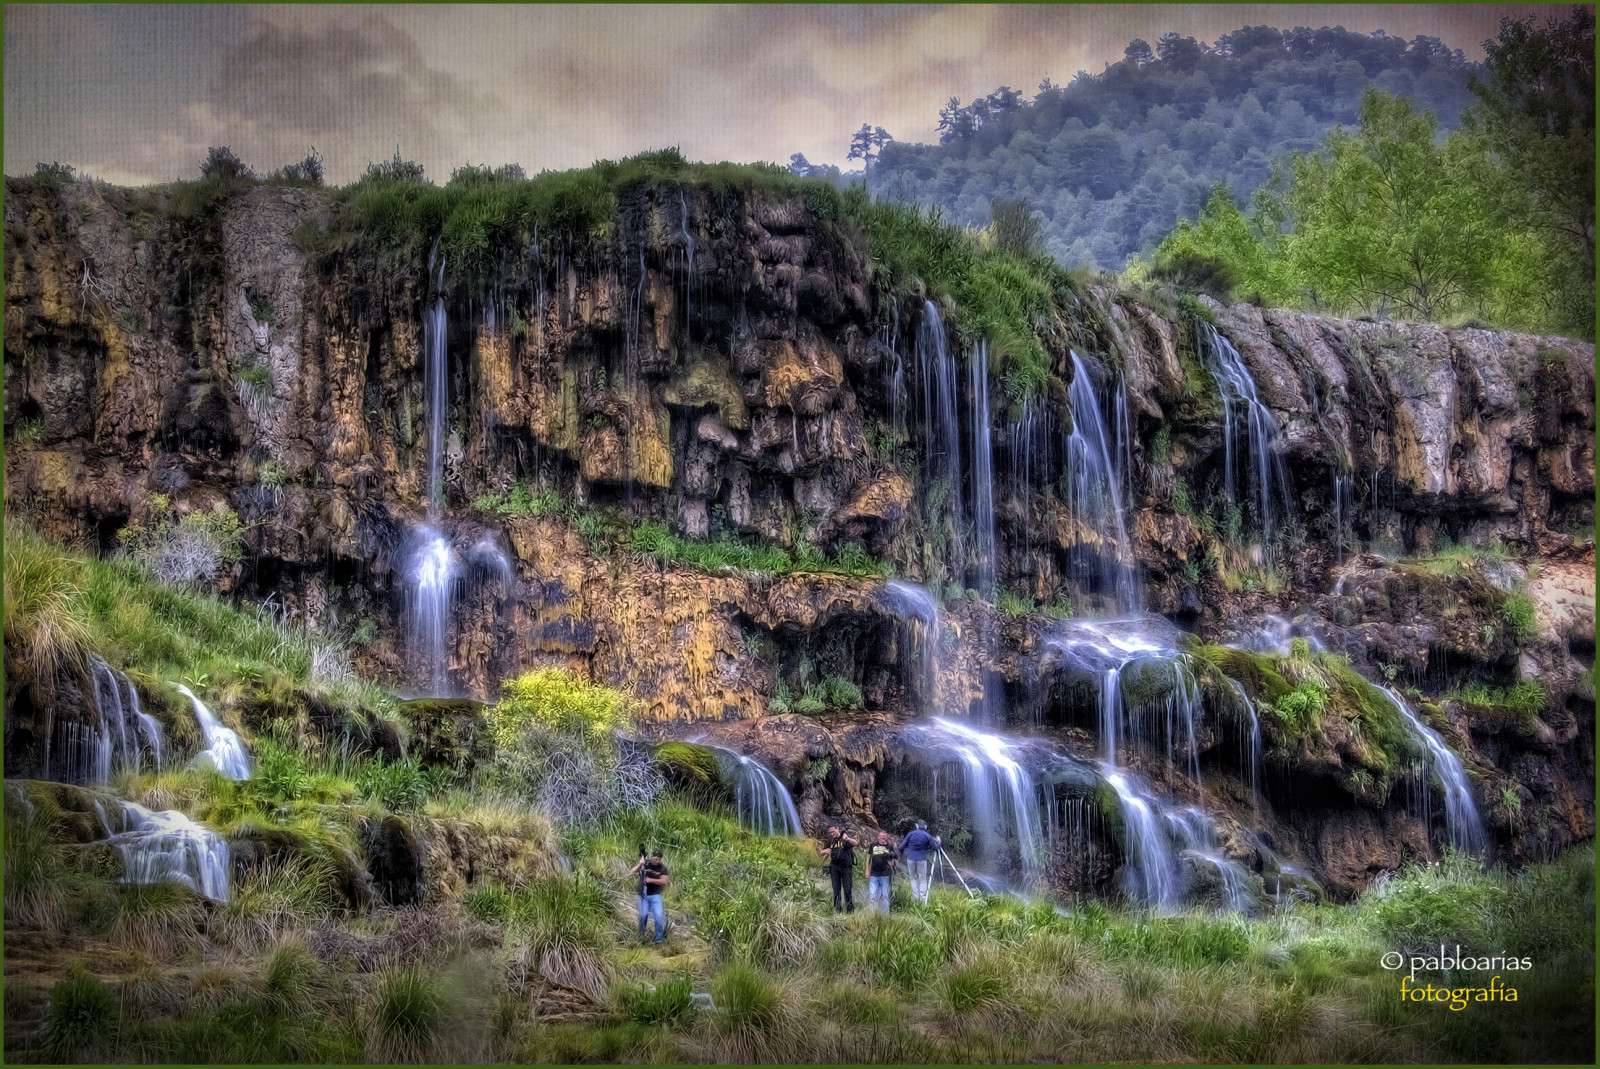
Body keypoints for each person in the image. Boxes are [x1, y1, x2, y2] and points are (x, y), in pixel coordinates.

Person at [627, 846, 670, 943]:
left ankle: (658, 939)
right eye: (656, 859)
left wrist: (651, 880)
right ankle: (641, 937)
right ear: (651, 857)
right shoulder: (645, 864)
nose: (657, 861)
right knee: (643, 915)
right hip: (643, 894)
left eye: (659, 859)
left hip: (655, 895)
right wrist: (639, 864)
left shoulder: (662, 868)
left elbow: (664, 881)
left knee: (658, 915)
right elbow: (630, 873)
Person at [897, 819, 941, 904]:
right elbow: (935, 847)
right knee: (922, 879)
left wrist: (903, 852)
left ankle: (915, 898)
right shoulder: (927, 835)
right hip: (921, 859)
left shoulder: (910, 834)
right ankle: (922, 899)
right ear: (925, 827)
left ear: (916, 826)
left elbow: (901, 847)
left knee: (913, 877)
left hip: (910, 859)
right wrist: (939, 841)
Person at [818, 825, 857, 913]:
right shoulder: (831, 841)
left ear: (837, 828)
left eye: (833, 831)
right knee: (836, 890)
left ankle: (850, 911)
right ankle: (837, 910)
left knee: (847, 889)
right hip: (834, 868)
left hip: (846, 868)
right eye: (830, 832)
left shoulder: (844, 838)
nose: (832, 834)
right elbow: (820, 852)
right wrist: (824, 851)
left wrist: (848, 839)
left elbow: (855, 843)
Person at [867, 830, 897, 912]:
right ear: (878, 837)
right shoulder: (873, 845)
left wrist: (891, 857)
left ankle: (885, 915)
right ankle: (873, 914)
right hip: (873, 873)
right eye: (881, 837)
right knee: (873, 895)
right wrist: (867, 870)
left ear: (887, 838)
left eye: (884, 838)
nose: (882, 839)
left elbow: (892, 863)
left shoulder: (890, 846)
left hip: (885, 874)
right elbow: (868, 857)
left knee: (885, 896)